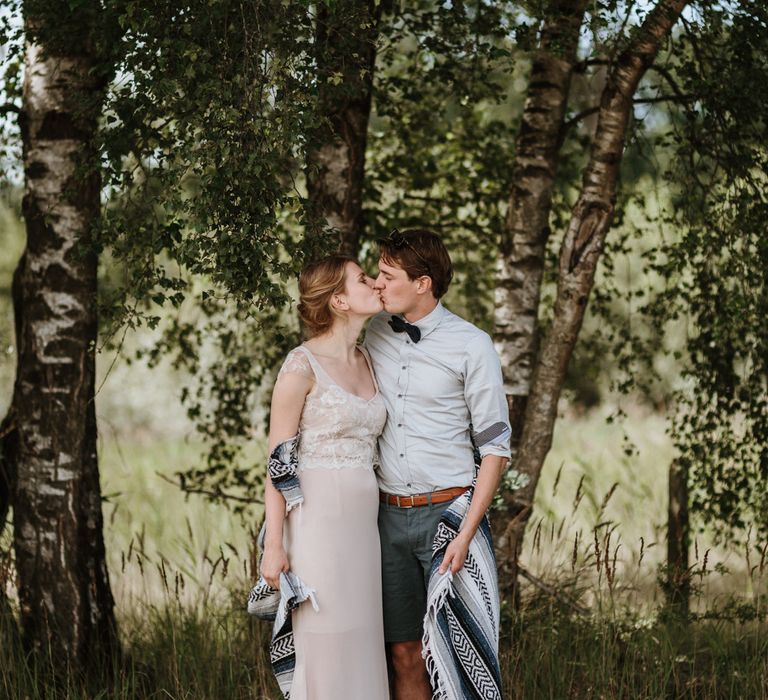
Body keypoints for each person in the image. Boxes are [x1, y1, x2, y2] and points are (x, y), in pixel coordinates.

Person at [364, 229, 511, 700]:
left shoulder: (472, 345)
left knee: (454, 652)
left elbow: (495, 449)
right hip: (386, 518)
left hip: (447, 516)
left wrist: (466, 532)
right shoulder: (372, 335)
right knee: (404, 652)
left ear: (422, 283)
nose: (377, 284)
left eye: (388, 275)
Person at [259, 254, 390, 699]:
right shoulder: (300, 367)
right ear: (338, 300)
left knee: (362, 636)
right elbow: (278, 461)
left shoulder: (370, 359)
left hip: (364, 529)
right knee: (326, 638)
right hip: (315, 524)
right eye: (362, 279)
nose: (374, 283)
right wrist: (273, 545)